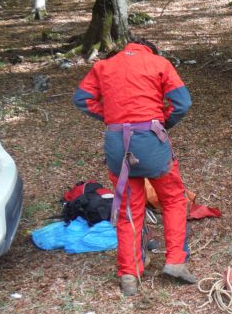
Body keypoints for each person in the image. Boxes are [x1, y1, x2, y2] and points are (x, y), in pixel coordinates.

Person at [73, 38, 197, 297]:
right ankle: (175, 261)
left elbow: (82, 99)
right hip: (151, 141)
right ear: (150, 49)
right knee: (173, 199)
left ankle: (129, 273)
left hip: (117, 143)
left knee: (128, 208)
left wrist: (110, 116)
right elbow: (182, 103)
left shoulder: (103, 66)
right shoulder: (159, 63)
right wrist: (163, 122)